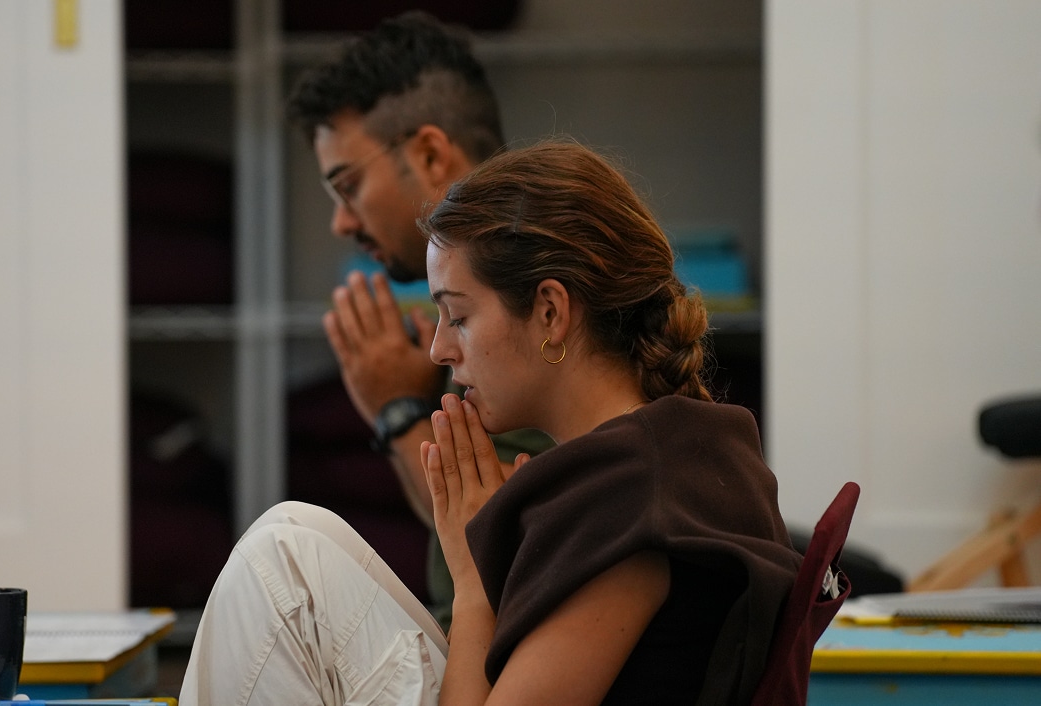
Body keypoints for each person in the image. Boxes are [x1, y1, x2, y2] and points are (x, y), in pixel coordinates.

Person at [179, 141, 802, 706]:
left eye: (459, 317)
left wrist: (473, 583)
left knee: (281, 556)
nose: (438, 351)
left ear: (551, 311)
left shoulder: (629, 498)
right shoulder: (684, 449)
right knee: (293, 540)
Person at [284, 11, 554, 629]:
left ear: (431, 153)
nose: (342, 223)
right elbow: (456, 517)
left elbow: (501, 530)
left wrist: (396, 409)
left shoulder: (522, 289)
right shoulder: (497, 277)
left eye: (348, 186)